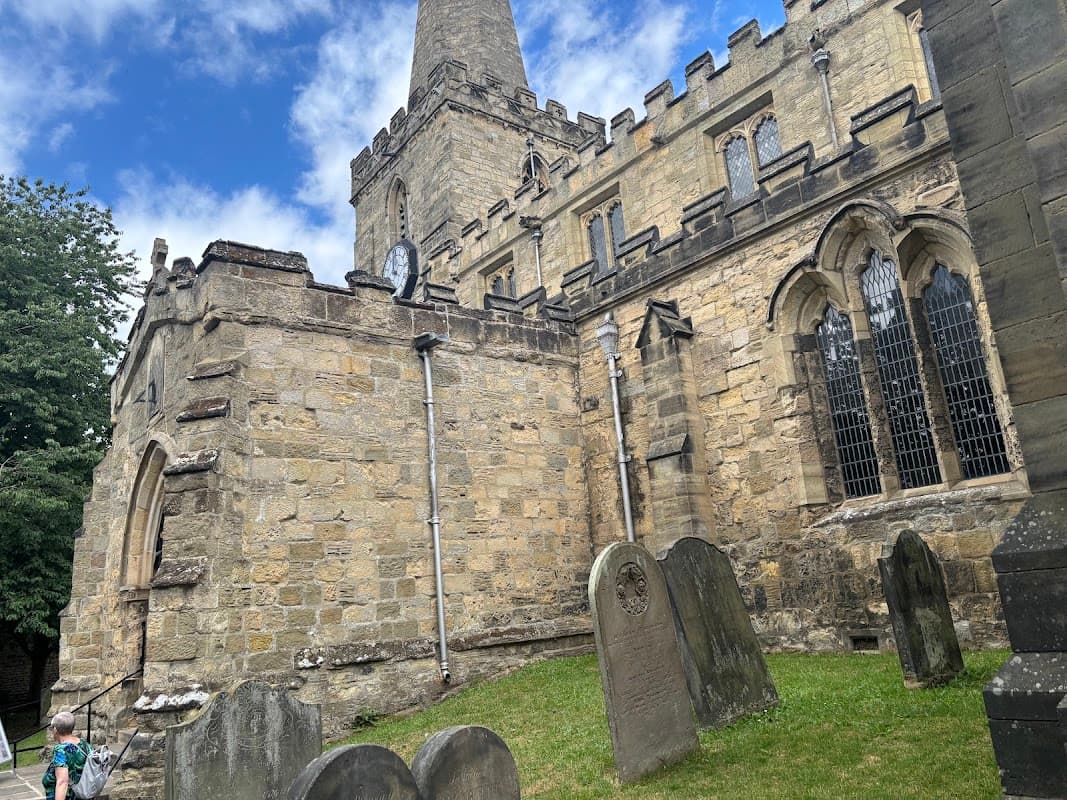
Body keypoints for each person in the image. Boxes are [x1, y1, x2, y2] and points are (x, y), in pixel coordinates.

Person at [41, 711, 91, 800]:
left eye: (51, 728)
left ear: (55, 730)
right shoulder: (84, 744)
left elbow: (62, 782)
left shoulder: (61, 750)